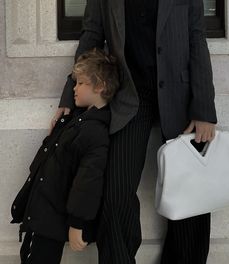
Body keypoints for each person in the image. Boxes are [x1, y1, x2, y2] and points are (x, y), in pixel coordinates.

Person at [51, 0, 218, 263]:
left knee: (190, 193)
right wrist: (69, 97)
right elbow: (92, 36)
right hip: (129, 97)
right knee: (115, 191)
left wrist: (204, 108)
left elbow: (196, 37)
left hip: (180, 97)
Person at [10, 47, 120, 263]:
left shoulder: (95, 132)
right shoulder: (76, 121)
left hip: (51, 220)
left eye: (80, 83)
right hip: (41, 212)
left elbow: (88, 181)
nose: (74, 89)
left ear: (100, 86)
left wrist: (77, 224)